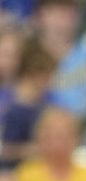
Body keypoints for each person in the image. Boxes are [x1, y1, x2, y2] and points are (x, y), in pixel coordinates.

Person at [0, 37, 57, 170]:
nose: (49, 83)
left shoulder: (48, 102)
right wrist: (29, 150)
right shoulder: (13, 108)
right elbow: (5, 149)